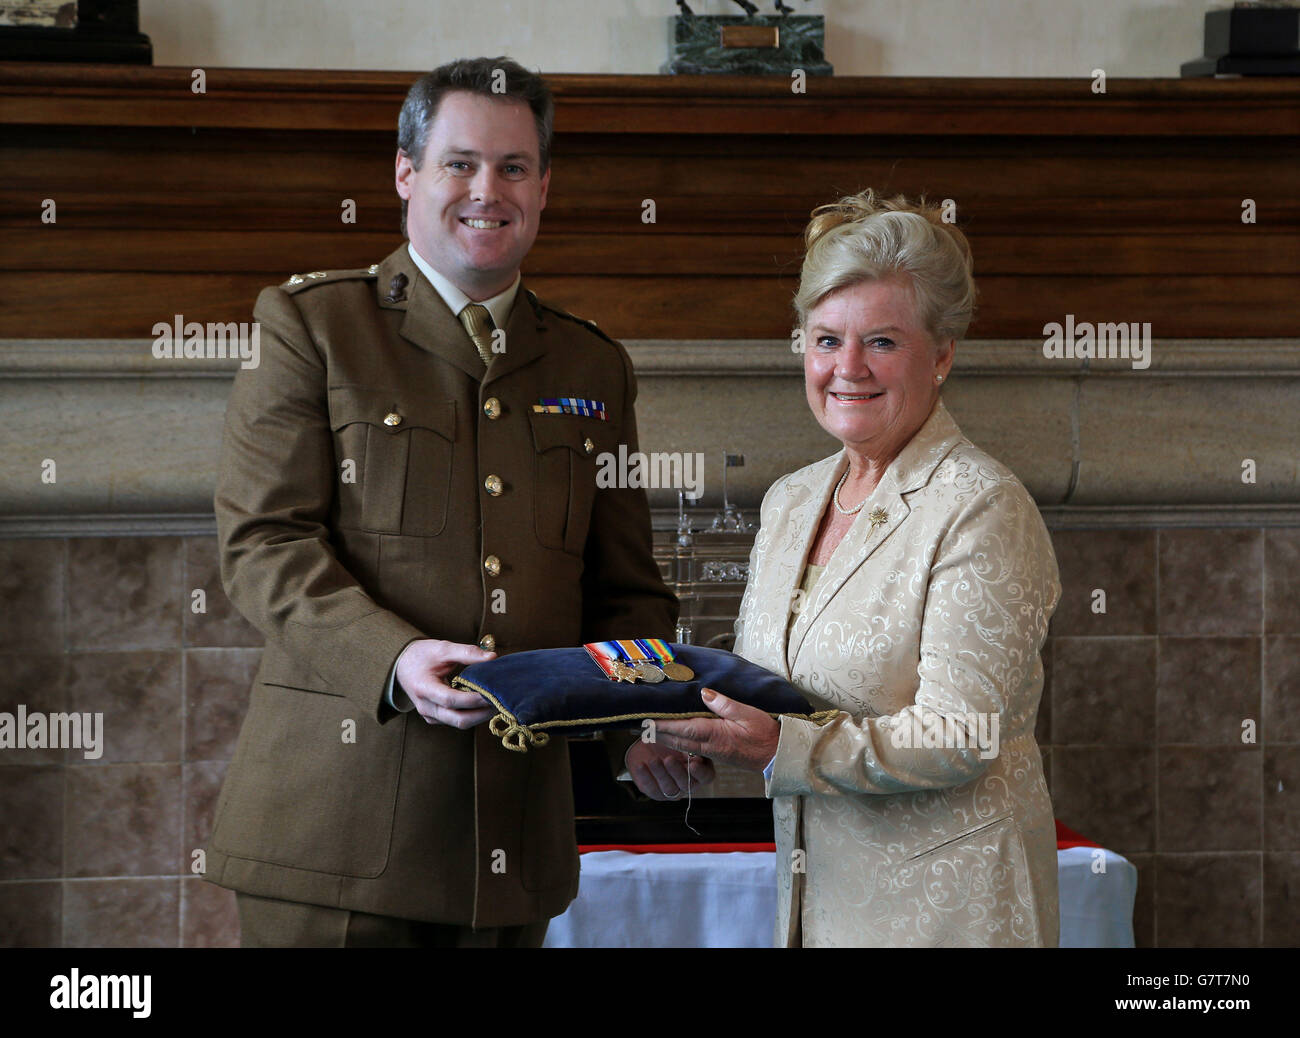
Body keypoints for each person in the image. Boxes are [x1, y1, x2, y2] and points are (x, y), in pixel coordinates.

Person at [203, 56, 699, 947]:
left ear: (543, 188)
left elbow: (624, 587)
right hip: (336, 842)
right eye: (460, 163)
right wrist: (394, 659)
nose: (487, 189)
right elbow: (263, 546)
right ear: (406, 173)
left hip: (513, 841)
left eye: (513, 167)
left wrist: (640, 725)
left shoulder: (593, 366)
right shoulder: (312, 325)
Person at [655, 190, 1061, 947]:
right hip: (815, 908)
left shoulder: (981, 506)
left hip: (951, 918)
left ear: (941, 354)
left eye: (881, 342)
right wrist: (666, 733)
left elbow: (962, 733)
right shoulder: (791, 499)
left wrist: (781, 748)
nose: (846, 369)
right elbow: (761, 684)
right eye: (824, 340)